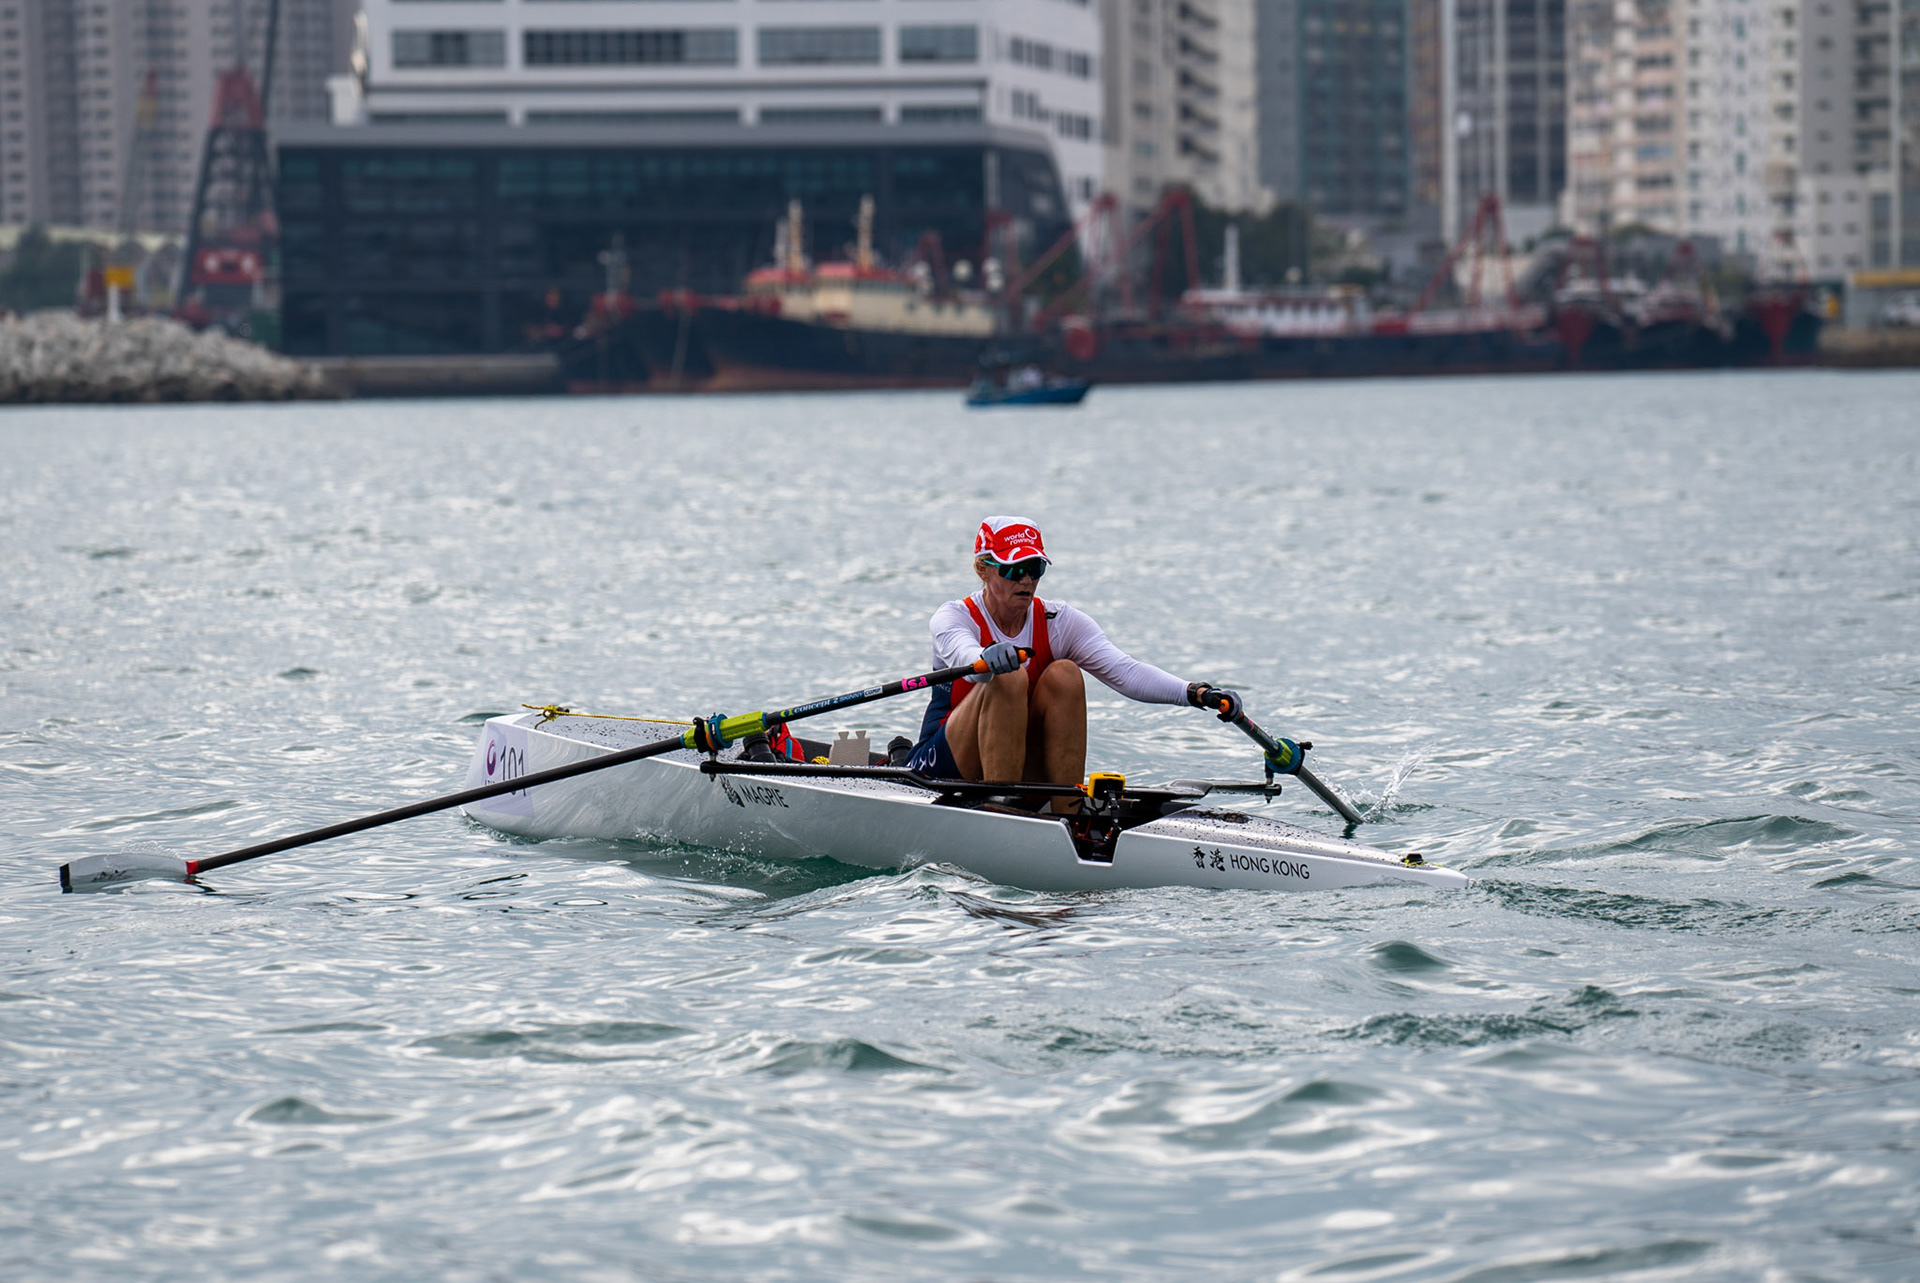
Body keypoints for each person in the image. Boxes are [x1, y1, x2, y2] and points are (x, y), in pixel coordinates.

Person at [905, 516, 1243, 810]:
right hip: (939, 768)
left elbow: (1124, 671)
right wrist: (983, 659)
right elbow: (962, 651)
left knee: (1065, 674)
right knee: (1008, 677)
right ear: (983, 568)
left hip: (1018, 768)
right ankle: (1002, 811)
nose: (1026, 580)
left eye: (1034, 569)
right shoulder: (954, 617)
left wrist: (1196, 693)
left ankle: (1068, 812)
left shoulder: (1058, 620)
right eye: (1014, 570)